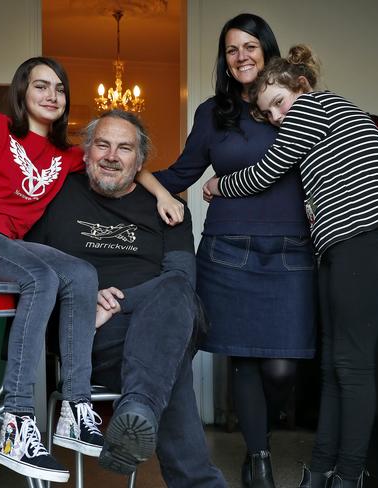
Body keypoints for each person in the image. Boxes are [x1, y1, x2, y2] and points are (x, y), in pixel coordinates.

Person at [0, 57, 183, 483]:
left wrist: (162, 196)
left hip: (8, 247)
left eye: (59, 89)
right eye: (41, 86)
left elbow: (125, 158)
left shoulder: (65, 155)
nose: (51, 95)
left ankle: (76, 409)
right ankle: (16, 422)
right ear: (22, 92)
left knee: (81, 274)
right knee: (40, 277)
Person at [203, 44, 378, 488]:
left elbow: (266, 172)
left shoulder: (313, 105)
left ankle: (348, 475)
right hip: (342, 246)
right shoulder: (329, 117)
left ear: (302, 85)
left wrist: (219, 184)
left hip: (364, 242)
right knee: (333, 365)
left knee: (351, 366)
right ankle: (319, 472)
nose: (276, 117)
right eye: (267, 113)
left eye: (278, 102)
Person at [153, 13, 316, 488]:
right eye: (231, 49)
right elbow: (181, 174)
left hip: (290, 253)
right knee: (243, 359)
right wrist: (133, 178)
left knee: (282, 367)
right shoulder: (212, 113)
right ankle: (259, 459)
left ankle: (260, 439)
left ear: (266, 50)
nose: (241, 56)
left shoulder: (297, 103)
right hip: (229, 252)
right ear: (224, 60)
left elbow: (325, 163)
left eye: (250, 46)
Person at [26, 109, 227, 488]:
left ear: (139, 162)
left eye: (124, 148)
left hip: (161, 314)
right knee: (170, 357)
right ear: (86, 152)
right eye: (102, 144)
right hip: (88, 335)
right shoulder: (55, 194)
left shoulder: (169, 209)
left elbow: (181, 280)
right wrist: (81, 299)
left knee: (173, 294)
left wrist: (118, 302)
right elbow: (33, 269)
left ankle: (138, 409)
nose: (111, 155)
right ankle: (143, 414)